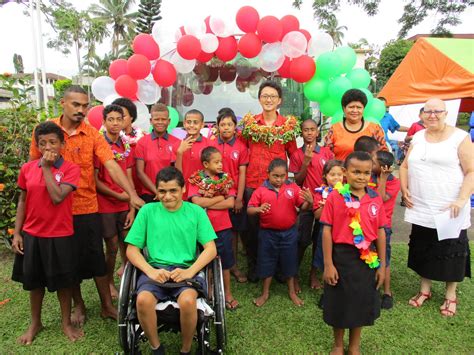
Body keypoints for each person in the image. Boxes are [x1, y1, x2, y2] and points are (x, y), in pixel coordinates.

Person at [29, 85, 144, 326]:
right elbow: (32, 166)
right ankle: (78, 305)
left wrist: (131, 194)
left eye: (85, 105)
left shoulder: (92, 134)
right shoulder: (46, 130)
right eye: (76, 105)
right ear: (63, 103)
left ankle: (107, 306)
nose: (81, 110)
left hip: (87, 207)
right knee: (68, 261)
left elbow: (111, 165)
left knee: (96, 259)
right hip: (57, 210)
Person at [125, 167, 217, 355]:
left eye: (173, 190)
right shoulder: (148, 211)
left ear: (183, 189)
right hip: (155, 269)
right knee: (142, 300)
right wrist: (150, 271)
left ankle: (186, 349)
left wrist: (189, 272)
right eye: (162, 191)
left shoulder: (196, 212)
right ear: (156, 191)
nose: (167, 196)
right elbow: (132, 250)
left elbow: (211, 249)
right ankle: (156, 348)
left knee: (188, 302)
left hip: (185, 269)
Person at [400, 98, 473, 317]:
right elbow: (404, 166)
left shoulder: (460, 137)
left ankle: (450, 295)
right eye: (427, 111)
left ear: (445, 113)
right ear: (422, 114)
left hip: (450, 207)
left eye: (437, 111)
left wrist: (461, 200)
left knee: (451, 250)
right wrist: (404, 189)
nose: (432, 115)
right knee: (424, 246)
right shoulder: (419, 137)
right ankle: (425, 290)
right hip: (422, 205)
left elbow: (471, 171)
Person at [12, 121, 82, 344]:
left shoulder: (71, 169)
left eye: (53, 142)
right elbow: (23, 200)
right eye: (42, 143)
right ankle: (35, 323)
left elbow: (57, 196)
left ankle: (65, 323)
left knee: (63, 282)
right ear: (37, 145)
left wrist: (46, 168)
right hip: (33, 234)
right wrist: (17, 233)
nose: (48, 147)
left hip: (60, 234)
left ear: (62, 144)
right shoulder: (27, 169)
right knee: (34, 282)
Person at [321, 151, 386, 355]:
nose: (361, 176)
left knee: (360, 302)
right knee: (339, 303)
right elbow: (327, 230)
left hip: (367, 259)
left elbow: (381, 232)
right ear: (345, 172)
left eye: (366, 172)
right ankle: (338, 344)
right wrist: (328, 264)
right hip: (340, 257)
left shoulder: (375, 199)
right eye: (356, 171)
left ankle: (355, 345)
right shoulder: (335, 197)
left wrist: (382, 265)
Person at [240, 80, 298, 282]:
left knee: (278, 226)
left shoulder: (287, 126)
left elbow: (293, 154)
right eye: (265, 96)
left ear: (279, 100)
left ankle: (281, 269)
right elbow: (243, 151)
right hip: (254, 183)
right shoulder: (250, 124)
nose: (269, 100)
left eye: (273, 96)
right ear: (259, 99)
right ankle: (255, 266)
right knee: (252, 229)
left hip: (278, 186)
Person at [247, 158, 313, 307]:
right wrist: (258, 209)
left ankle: (291, 292)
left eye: (282, 176)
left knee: (290, 261)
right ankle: (265, 293)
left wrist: (309, 202)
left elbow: (303, 207)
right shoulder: (261, 190)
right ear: (268, 174)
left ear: (286, 175)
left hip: (289, 233)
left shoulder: (293, 188)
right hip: (267, 234)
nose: (279, 179)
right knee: (266, 261)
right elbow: (249, 209)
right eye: (275, 176)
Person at [188, 146, 239, 310]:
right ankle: (208, 292)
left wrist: (210, 201)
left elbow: (230, 202)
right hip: (202, 229)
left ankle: (228, 294)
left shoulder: (225, 179)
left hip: (223, 226)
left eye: (220, 161)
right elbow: (197, 202)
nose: (220, 165)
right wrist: (219, 198)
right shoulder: (196, 179)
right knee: (204, 261)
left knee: (225, 262)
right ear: (205, 164)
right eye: (216, 162)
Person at [94, 105, 135, 299]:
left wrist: (131, 206)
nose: (116, 123)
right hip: (105, 205)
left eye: (119, 119)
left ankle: (129, 283)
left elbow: (128, 178)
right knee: (110, 247)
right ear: (104, 122)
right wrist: (118, 195)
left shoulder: (125, 145)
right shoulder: (98, 144)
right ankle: (109, 283)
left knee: (129, 244)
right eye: (111, 119)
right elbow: (95, 181)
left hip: (124, 204)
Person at [289, 119, 334, 291]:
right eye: (305, 130)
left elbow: (332, 177)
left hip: (324, 202)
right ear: (301, 133)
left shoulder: (326, 153)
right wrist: (306, 161)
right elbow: (298, 180)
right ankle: (294, 275)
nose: (309, 133)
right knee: (302, 240)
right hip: (306, 202)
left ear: (317, 132)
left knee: (320, 238)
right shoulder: (296, 155)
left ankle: (313, 274)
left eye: (312, 129)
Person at [210, 107, 249, 283]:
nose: (226, 128)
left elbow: (242, 174)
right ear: (218, 127)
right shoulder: (211, 146)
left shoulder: (241, 147)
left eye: (229, 124)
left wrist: (239, 198)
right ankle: (212, 264)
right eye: (222, 124)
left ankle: (232, 265)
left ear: (235, 127)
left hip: (233, 196)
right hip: (213, 195)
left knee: (232, 232)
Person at [311, 159, 344, 308]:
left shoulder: (348, 192)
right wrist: (328, 206)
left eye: (339, 174)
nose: (336, 178)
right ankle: (327, 293)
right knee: (325, 260)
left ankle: (340, 291)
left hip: (342, 234)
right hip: (325, 233)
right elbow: (317, 216)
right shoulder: (320, 193)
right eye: (332, 175)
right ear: (325, 176)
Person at [371, 151, 400, 310]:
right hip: (368, 224)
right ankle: (371, 287)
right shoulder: (369, 177)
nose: (370, 164)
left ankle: (387, 292)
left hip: (383, 226)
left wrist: (382, 179)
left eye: (373, 162)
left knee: (384, 258)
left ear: (383, 167)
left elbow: (380, 199)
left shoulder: (394, 182)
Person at [134, 103, 180, 203]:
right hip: (148, 194)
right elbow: (139, 172)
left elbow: (177, 171)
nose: (160, 122)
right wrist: (157, 191)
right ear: (151, 121)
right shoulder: (142, 142)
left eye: (163, 119)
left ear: (169, 121)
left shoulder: (177, 142)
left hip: (170, 195)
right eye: (156, 119)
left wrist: (165, 192)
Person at [324, 89, 387, 161]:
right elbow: (326, 155)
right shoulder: (334, 129)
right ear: (344, 109)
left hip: (368, 172)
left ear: (364, 109)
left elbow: (384, 154)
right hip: (341, 171)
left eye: (359, 107)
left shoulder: (375, 129)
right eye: (351, 107)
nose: (355, 111)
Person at [175, 109, 209, 197]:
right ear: (184, 124)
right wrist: (179, 153)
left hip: (202, 193)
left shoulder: (209, 144)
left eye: (195, 122)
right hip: (183, 192)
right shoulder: (177, 145)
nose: (191, 125)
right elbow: (176, 173)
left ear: (202, 125)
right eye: (188, 122)